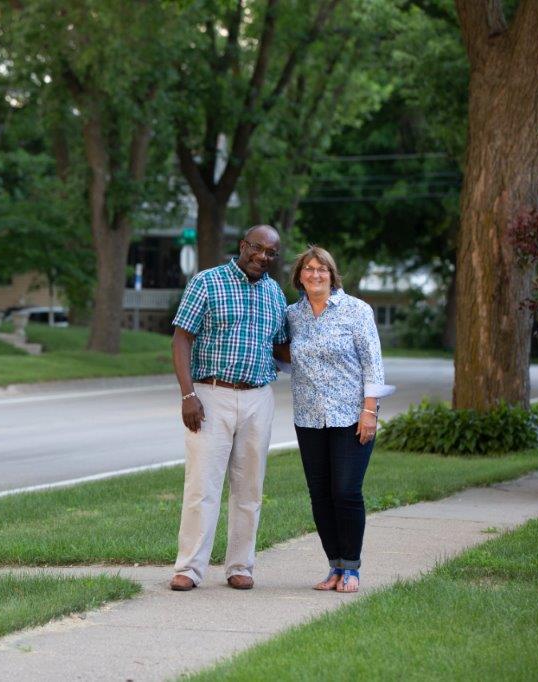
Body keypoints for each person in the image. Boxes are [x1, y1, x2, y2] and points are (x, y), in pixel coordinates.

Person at [168, 225, 289, 592]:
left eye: (270, 253)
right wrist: (188, 395)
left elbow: (283, 350)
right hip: (211, 394)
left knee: (249, 488)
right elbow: (181, 338)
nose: (262, 257)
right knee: (203, 486)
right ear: (243, 246)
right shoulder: (208, 282)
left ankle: (240, 565)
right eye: (257, 248)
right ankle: (189, 569)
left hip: (258, 397)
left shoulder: (275, 294)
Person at [283, 246, 393, 593]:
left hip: (351, 417)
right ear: (299, 276)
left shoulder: (356, 311)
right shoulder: (292, 316)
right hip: (309, 418)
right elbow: (284, 358)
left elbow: (373, 363)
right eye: (309, 269)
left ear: (332, 275)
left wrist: (370, 411)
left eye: (323, 270)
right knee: (320, 495)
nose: (316, 275)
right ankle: (334, 565)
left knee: (346, 492)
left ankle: (352, 568)